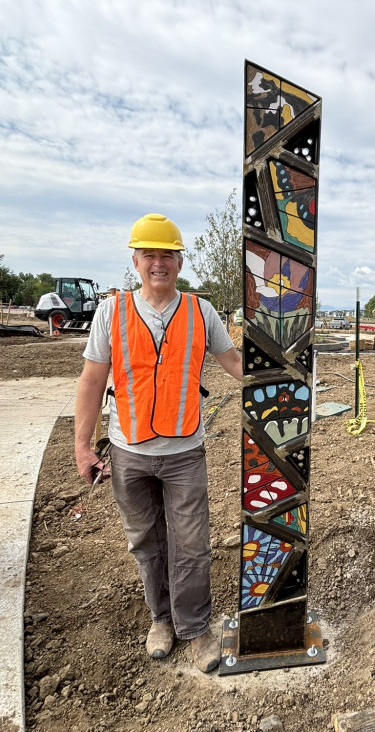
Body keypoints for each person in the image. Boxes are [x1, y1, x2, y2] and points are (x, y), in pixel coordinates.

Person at [74, 213, 242, 673]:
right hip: (128, 452)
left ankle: (195, 628)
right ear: (135, 259)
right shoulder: (111, 311)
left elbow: (232, 361)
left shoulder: (200, 312)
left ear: (179, 261)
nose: (158, 263)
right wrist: (83, 445)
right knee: (146, 543)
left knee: (191, 545)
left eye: (167, 254)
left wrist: (282, 383)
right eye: (149, 254)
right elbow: (92, 380)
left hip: (184, 452)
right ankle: (161, 619)